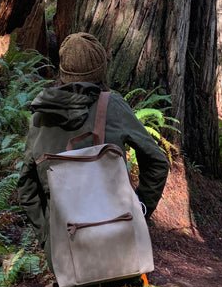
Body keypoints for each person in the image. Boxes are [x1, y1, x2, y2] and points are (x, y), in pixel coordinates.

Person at [17, 31, 169, 271]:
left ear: (62, 71)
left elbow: (26, 187)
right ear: (101, 71)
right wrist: (140, 210)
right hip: (119, 246)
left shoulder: (40, 115)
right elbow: (157, 162)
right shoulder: (113, 106)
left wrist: (48, 237)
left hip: (65, 257)